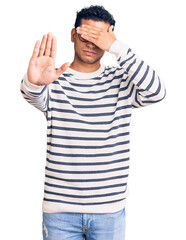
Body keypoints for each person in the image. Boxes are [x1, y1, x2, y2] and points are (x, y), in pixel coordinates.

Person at [20, 5, 166, 240]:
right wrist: (35, 82)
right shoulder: (54, 79)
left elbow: (157, 92)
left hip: (109, 212)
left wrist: (118, 48)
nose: (91, 44)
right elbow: (32, 95)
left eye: (100, 38)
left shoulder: (121, 80)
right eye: (86, 35)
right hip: (60, 213)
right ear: (73, 35)